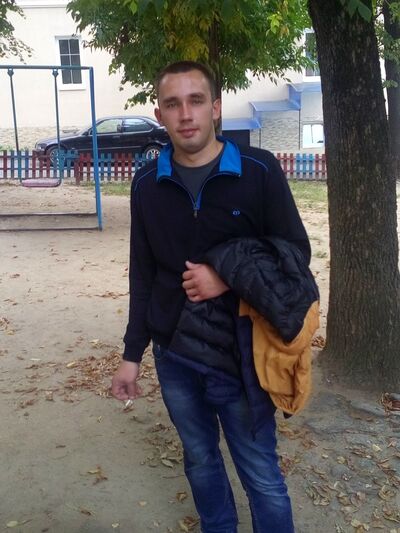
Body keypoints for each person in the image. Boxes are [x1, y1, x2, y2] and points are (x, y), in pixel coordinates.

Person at [112, 61, 312, 533]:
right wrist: (131, 355)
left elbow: (295, 254)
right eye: (173, 104)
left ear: (216, 108)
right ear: (159, 115)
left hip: (241, 355)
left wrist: (227, 273)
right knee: (200, 460)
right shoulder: (146, 183)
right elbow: (143, 272)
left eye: (196, 101)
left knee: (260, 473)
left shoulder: (259, 171)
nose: (186, 114)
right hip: (174, 355)